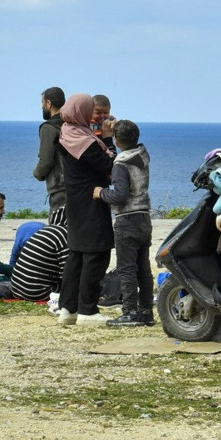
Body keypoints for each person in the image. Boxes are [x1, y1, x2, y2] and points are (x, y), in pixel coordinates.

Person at [57, 94, 115, 326]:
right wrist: (109, 139)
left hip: (75, 201)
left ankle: (68, 309)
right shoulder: (86, 141)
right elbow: (109, 166)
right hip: (92, 201)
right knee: (96, 254)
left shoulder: (67, 132)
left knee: (77, 255)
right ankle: (87, 311)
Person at [93, 120, 154, 327]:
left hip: (127, 219)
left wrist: (101, 193)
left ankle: (130, 312)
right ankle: (146, 311)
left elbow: (119, 196)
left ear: (117, 141)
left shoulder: (121, 164)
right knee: (143, 268)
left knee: (126, 269)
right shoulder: (143, 155)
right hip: (144, 217)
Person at [10, 207, 68, 311]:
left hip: (15, 288)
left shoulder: (45, 230)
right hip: (36, 292)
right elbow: (68, 274)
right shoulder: (64, 236)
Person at [33, 87, 66, 211]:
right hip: (74, 183)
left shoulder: (48, 128)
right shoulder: (70, 123)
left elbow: (46, 160)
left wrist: (37, 173)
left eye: (42, 103)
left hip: (59, 187)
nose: (42, 107)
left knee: (58, 221)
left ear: (49, 103)